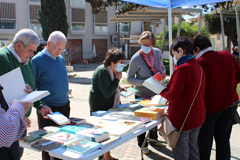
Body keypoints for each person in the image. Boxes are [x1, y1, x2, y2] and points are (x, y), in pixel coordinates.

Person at [0, 28, 52, 158]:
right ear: (19, 45)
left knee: (17, 155)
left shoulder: (27, 61)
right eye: (30, 50)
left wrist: (41, 106)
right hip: (7, 126)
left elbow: (31, 89)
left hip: (20, 122)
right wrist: (17, 115)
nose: (32, 54)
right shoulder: (2, 58)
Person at [193, 34, 240, 160]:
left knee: (205, 143)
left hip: (210, 109)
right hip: (230, 105)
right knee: (223, 140)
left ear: (197, 49)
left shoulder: (198, 63)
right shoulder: (227, 55)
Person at [160, 36, 206, 160]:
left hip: (183, 119)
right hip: (197, 116)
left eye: (174, 54)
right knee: (193, 150)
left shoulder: (183, 69)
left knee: (181, 153)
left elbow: (173, 96)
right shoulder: (198, 66)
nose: (175, 58)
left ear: (180, 51)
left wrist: (161, 91)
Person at [31, 31, 69, 160]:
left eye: (62, 49)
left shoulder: (61, 59)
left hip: (64, 105)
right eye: (57, 48)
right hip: (48, 109)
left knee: (62, 141)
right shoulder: (37, 60)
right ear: (48, 43)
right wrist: (41, 105)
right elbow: (32, 86)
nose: (59, 51)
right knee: (48, 143)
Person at [126, 31, 166, 154]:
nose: (145, 47)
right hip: (142, 94)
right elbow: (129, 78)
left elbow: (163, 67)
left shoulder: (158, 53)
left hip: (157, 92)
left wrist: (163, 74)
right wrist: (143, 82)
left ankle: (154, 139)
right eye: (143, 44)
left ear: (153, 44)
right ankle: (142, 144)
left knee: (156, 118)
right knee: (143, 121)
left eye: (148, 44)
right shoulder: (136, 58)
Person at [89, 49, 126, 160]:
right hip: (99, 107)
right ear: (112, 63)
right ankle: (102, 156)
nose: (122, 65)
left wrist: (119, 88)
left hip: (107, 106)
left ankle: (106, 156)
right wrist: (117, 80)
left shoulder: (111, 70)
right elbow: (107, 92)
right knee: (101, 133)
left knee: (108, 133)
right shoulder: (103, 72)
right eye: (121, 62)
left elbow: (111, 87)